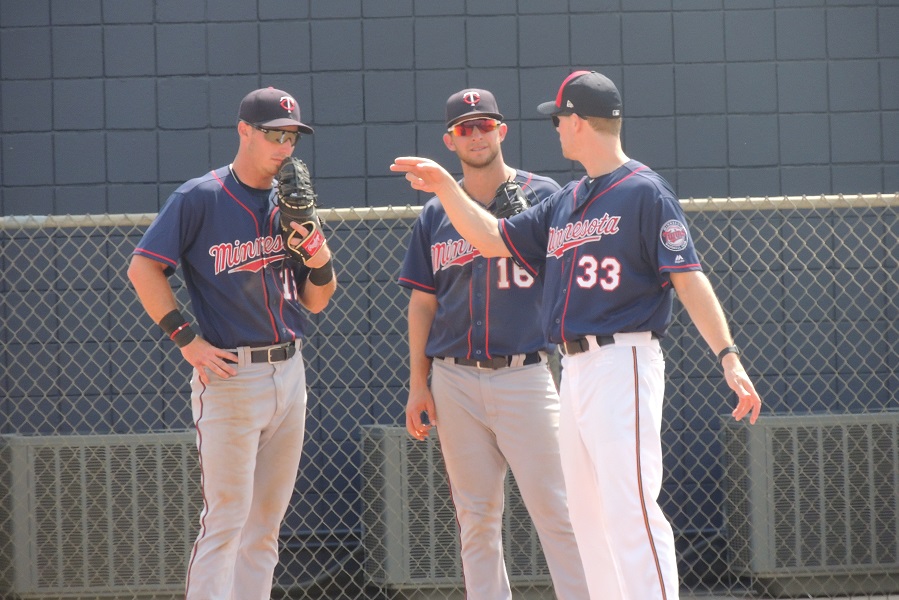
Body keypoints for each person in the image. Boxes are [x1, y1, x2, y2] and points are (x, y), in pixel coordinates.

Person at [392, 71, 762, 600]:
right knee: (589, 520)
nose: (556, 127)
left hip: (624, 358)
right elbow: (492, 237)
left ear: (582, 122)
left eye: (560, 117)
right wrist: (447, 187)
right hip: (575, 370)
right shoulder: (566, 200)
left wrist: (728, 355)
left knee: (630, 508)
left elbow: (688, 276)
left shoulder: (643, 191)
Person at [127, 87, 336, 600]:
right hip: (230, 375)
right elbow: (143, 268)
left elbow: (317, 299)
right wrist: (186, 340)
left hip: (290, 371)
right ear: (244, 130)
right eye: (273, 134)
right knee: (225, 521)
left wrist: (313, 244)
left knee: (264, 528)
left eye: (291, 136)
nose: (284, 146)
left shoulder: (294, 203)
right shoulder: (200, 196)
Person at [396, 88, 589, 600]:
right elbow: (422, 303)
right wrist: (420, 383)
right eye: (465, 127)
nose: (476, 134)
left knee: (557, 510)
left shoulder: (546, 195)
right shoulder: (436, 213)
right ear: (450, 140)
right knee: (475, 520)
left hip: (526, 372)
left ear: (502, 131)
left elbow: (569, 277)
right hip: (455, 378)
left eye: (485, 125)